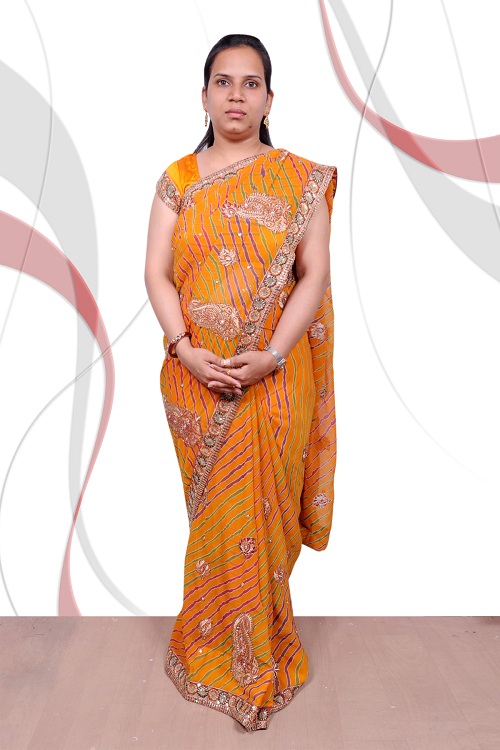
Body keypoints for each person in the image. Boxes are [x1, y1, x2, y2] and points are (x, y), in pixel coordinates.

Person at [144, 33, 338, 732]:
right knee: (219, 520)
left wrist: (274, 355)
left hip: (276, 381)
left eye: (250, 83)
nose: (236, 95)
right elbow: (156, 273)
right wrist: (185, 350)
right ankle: (212, 648)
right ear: (204, 96)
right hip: (196, 383)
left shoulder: (301, 180)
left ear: (269, 99)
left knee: (266, 518)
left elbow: (313, 274)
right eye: (223, 82)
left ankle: (264, 652)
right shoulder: (178, 179)